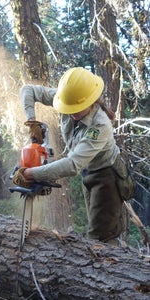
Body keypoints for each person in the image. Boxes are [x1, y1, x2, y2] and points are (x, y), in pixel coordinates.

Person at [13, 67, 124, 245]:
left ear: (91, 101)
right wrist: (32, 121)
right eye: (68, 108)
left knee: (101, 237)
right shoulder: (67, 99)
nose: (71, 113)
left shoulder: (100, 125)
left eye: (77, 109)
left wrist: (30, 174)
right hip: (87, 171)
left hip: (107, 176)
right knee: (95, 225)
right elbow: (28, 90)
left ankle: (111, 267)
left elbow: (72, 165)